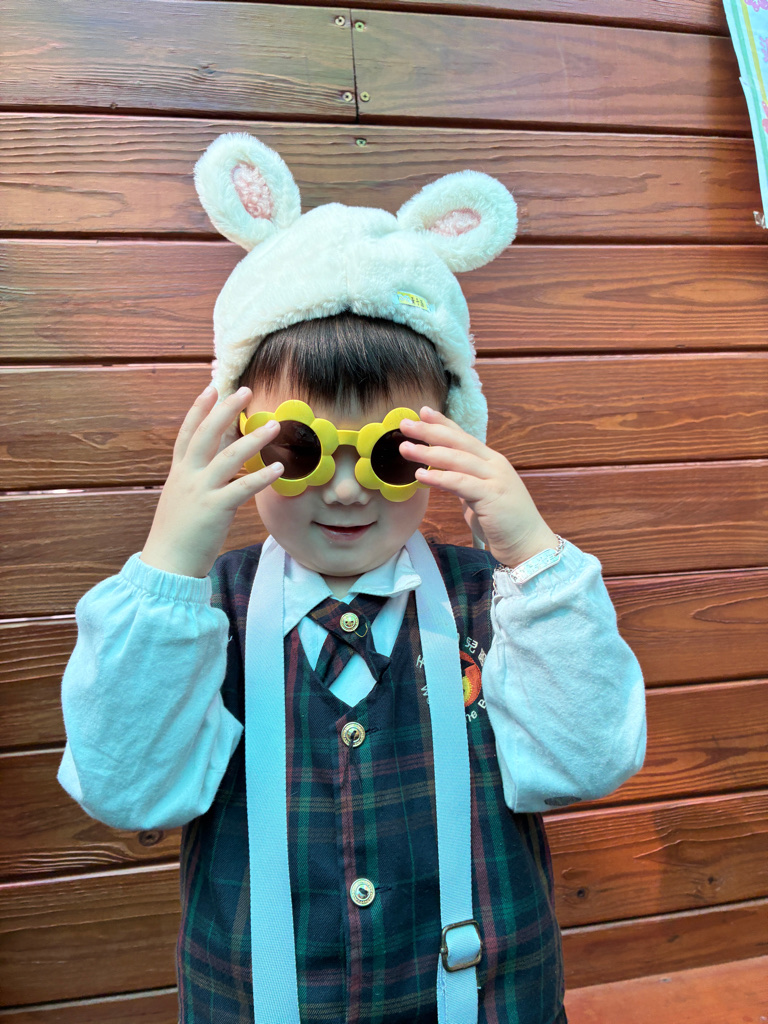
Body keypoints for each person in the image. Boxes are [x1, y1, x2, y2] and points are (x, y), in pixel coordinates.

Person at [57, 133, 646, 1024]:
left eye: (390, 453)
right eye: (299, 449)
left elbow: (588, 760)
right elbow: (126, 788)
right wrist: (170, 562)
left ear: (453, 442)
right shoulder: (200, 618)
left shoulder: (504, 606)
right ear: (232, 442)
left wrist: (533, 553)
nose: (343, 490)